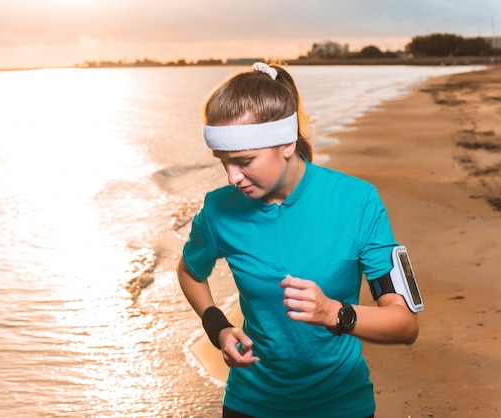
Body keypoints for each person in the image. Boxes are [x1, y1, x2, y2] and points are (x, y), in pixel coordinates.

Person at [176, 62, 420, 418]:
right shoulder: (218, 210)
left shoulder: (358, 202)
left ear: (287, 143)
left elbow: (405, 325)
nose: (231, 177)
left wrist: (334, 313)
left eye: (244, 161)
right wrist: (219, 328)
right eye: (222, 161)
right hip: (250, 405)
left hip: (342, 405)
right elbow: (190, 271)